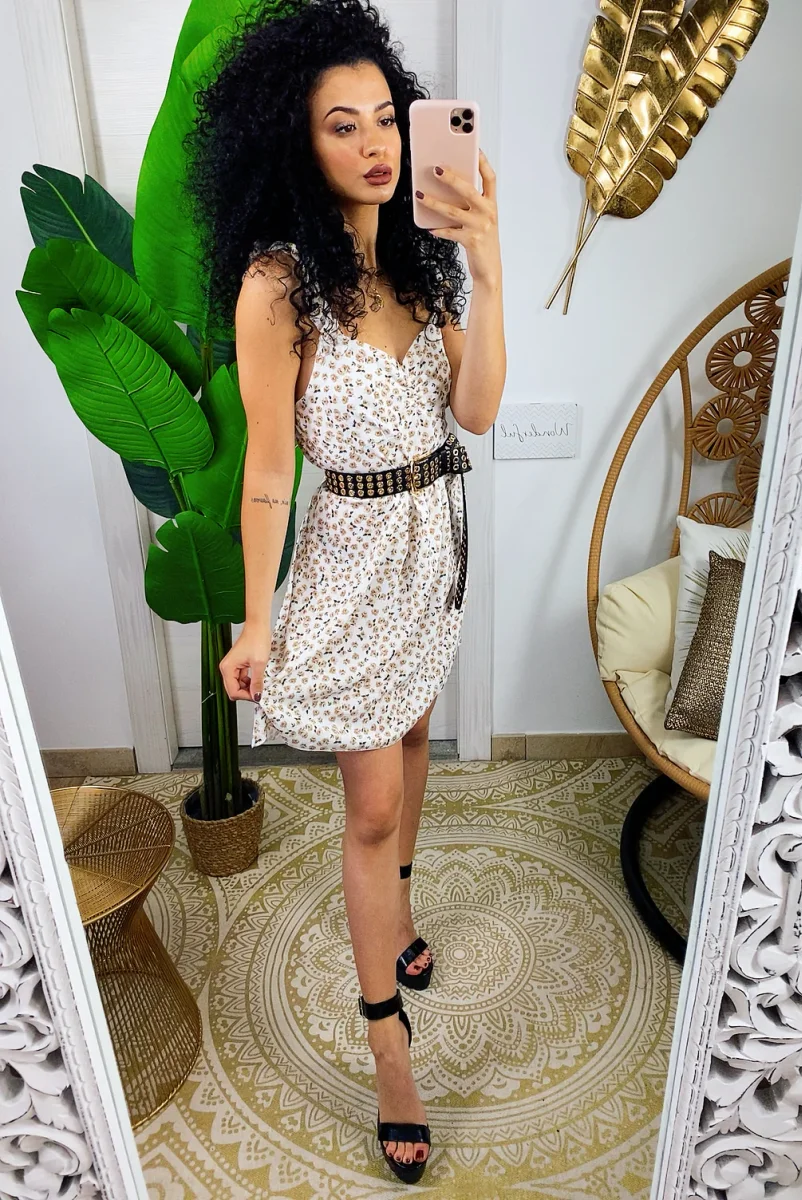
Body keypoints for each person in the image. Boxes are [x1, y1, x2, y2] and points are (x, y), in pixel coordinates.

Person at [186, 0, 506, 1183]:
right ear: (296, 139)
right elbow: (271, 470)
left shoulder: (425, 259)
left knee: (414, 732)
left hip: (436, 542)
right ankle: (389, 1052)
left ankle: (402, 913)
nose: (374, 142)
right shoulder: (279, 287)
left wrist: (489, 264)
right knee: (369, 807)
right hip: (352, 558)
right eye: (342, 124)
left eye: (385, 117)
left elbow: (476, 412)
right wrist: (257, 619)